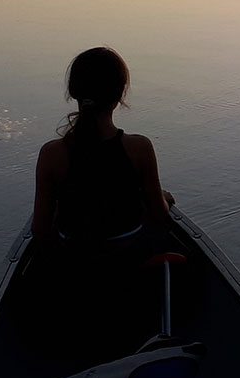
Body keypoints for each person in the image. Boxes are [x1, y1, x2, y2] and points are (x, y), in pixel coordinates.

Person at [33, 47, 170, 253]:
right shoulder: (140, 148)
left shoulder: (51, 155)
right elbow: (160, 214)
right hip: (129, 257)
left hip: (74, 260)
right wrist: (164, 199)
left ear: (73, 92)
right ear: (119, 95)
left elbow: (40, 231)